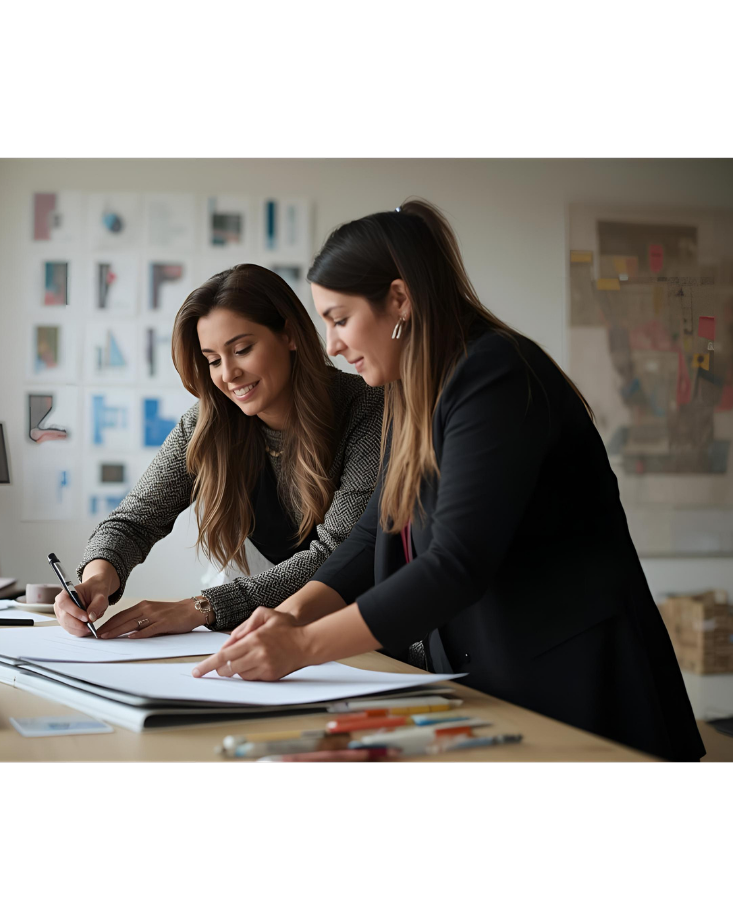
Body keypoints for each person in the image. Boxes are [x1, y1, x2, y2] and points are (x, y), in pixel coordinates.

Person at [194, 201, 705, 761]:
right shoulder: (414, 390)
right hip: (490, 679)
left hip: (575, 683)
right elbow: (373, 534)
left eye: (339, 319)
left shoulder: (496, 375)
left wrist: (303, 646)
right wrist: (289, 615)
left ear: (399, 300)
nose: (332, 345)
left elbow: (456, 563)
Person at [54, 263, 383, 639]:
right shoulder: (206, 425)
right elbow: (134, 521)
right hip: (275, 637)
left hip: (365, 637)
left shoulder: (368, 410)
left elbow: (338, 557)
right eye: (212, 360)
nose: (228, 374)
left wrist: (202, 608)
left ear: (289, 334)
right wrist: (97, 578)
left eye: (242, 349)